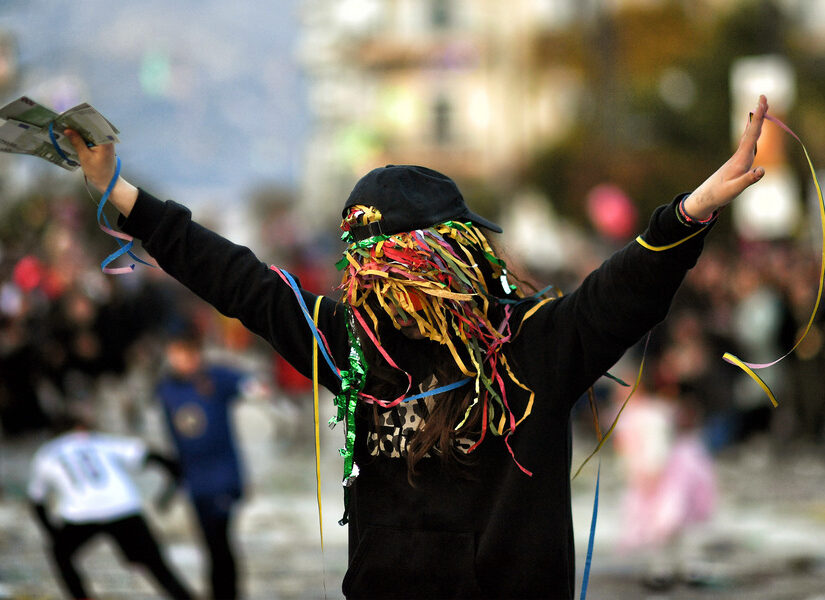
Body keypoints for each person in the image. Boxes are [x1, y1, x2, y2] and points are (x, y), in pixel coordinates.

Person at [62, 95, 770, 599]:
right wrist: (120, 194)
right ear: (456, 249)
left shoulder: (531, 344)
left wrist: (689, 212)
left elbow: (624, 288)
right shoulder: (355, 349)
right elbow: (240, 281)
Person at [27, 409, 193, 599]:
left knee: (61, 555)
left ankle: (81, 596)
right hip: (122, 507)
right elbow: (148, 455)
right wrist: (170, 485)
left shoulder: (46, 453)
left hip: (81, 514)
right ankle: (183, 596)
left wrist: (52, 532)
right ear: (80, 428)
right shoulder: (96, 441)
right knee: (155, 564)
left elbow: (36, 500)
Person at [156, 325, 247, 600]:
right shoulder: (166, 388)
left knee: (220, 542)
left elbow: (251, 385)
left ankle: (226, 594)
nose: (178, 360)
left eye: (183, 354)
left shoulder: (216, 378)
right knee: (209, 544)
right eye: (173, 354)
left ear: (196, 355)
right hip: (195, 481)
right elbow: (173, 437)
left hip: (224, 477)